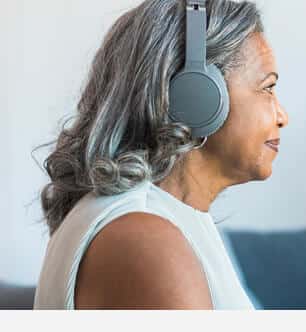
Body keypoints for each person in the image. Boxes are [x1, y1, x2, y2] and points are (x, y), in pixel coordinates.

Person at [34, 0, 288, 309]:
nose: (282, 116)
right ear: (199, 95)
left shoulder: (160, 219)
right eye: (268, 87)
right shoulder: (144, 238)